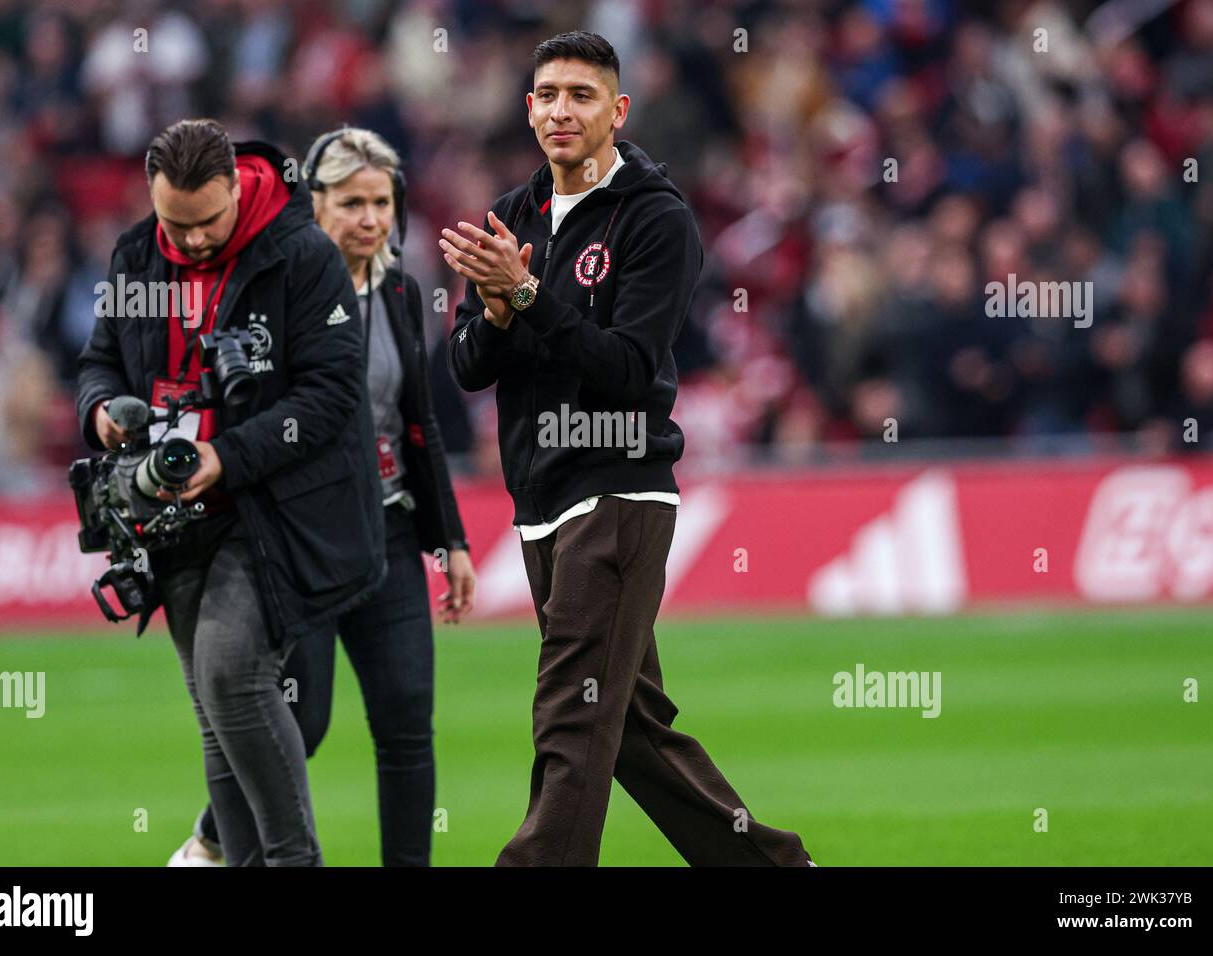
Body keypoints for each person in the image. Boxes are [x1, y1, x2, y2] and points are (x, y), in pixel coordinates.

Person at [443, 32, 815, 866]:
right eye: (548, 94)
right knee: (633, 729)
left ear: (617, 112)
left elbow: (627, 371)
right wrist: (498, 311)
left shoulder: (657, 218)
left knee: (570, 714)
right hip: (539, 501)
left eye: (581, 95)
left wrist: (528, 293)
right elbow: (467, 366)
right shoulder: (514, 215)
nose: (561, 110)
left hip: (617, 489)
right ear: (528, 108)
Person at [77, 118, 386, 867]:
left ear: (237, 190)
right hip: (170, 518)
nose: (190, 241)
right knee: (216, 712)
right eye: (173, 224)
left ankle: (293, 861)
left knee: (230, 673)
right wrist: (101, 412)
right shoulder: (136, 255)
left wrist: (227, 454)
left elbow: (332, 395)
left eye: (208, 222)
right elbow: (98, 362)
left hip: (272, 510)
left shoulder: (301, 254)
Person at [170, 127, 476, 867]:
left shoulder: (401, 292)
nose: (370, 219)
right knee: (299, 723)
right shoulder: (276, 291)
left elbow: (419, 425)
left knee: (407, 723)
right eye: (351, 203)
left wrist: (453, 541)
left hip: (391, 536)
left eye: (381, 203)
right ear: (315, 203)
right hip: (301, 539)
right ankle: (215, 841)